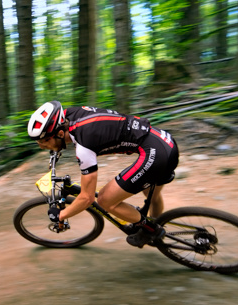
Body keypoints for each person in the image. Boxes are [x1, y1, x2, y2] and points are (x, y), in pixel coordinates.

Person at [27, 101, 179, 248]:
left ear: (60, 133)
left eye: (44, 142)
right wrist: (53, 146)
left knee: (105, 200)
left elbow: (87, 198)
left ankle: (151, 230)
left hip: (155, 155)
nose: (42, 147)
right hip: (165, 141)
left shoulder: (84, 146)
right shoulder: (70, 114)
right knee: (150, 194)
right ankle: (156, 223)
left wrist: (61, 215)